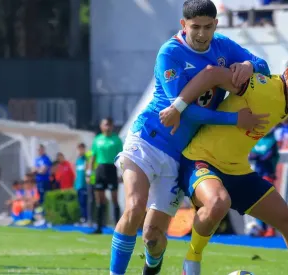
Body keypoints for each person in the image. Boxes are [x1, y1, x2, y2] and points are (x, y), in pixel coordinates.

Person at [109, 1, 271, 274]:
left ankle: (152, 263)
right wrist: (234, 119)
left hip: (178, 156)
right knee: (135, 206)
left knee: (153, 237)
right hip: (148, 138)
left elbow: (263, 66)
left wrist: (247, 64)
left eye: (208, 27)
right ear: (183, 25)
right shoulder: (169, 53)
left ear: (215, 25)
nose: (201, 33)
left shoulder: (223, 46)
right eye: (195, 27)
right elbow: (182, 112)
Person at [159, 47, 288, 275]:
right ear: (287, 72)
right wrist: (177, 107)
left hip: (237, 170)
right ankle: (192, 260)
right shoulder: (260, 86)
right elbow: (211, 74)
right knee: (219, 203)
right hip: (200, 160)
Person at [88, 117, 123, 235]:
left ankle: (118, 227)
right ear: (101, 126)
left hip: (112, 170)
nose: (107, 127)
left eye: (109, 125)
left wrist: (123, 173)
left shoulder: (116, 140)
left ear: (112, 126)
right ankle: (98, 227)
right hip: (100, 170)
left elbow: (122, 158)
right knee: (100, 200)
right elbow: (92, 157)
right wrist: (89, 172)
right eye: (105, 124)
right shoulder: (97, 140)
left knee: (114, 199)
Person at [75, 143, 88, 224]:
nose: (80, 151)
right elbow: (77, 173)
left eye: (81, 149)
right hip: (78, 185)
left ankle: (85, 219)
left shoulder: (86, 159)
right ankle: (82, 218)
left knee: (84, 202)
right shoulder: (78, 160)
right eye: (79, 149)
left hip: (84, 185)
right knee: (80, 202)